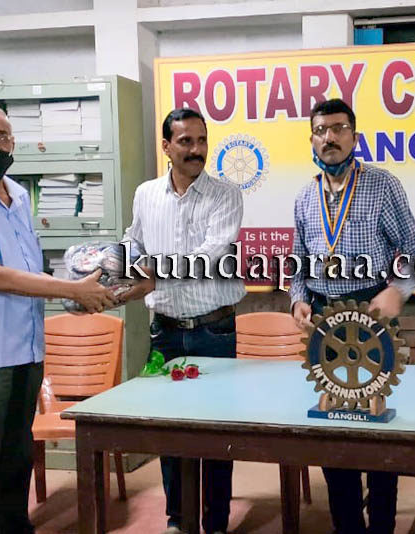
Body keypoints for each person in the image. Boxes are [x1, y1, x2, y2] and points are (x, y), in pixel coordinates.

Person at [0, 103, 116, 534]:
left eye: (3, 136)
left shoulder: (18, 196)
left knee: (16, 456)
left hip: (26, 347)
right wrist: (72, 290)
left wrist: (79, 286)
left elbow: (27, 268)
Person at [289, 98, 415, 534]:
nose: (329, 137)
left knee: (377, 428)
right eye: (321, 130)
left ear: (355, 136)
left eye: (338, 128)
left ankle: (382, 524)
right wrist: (297, 299)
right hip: (325, 323)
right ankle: (347, 524)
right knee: (333, 428)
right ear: (311, 139)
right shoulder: (305, 196)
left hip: (372, 316)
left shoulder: (382, 185)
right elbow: (298, 262)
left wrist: (397, 291)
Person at [119, 107, 245, 534]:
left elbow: (211, 254)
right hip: (165, 334)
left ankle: (216, 523)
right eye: (186, 141)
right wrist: (117, 263)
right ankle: (178, 520)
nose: (196, 150)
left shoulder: (225, 194)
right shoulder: (145, 194)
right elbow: (133, 240)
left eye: (201, 140)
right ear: (166, 146)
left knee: (217, 433)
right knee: (169, 432)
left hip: (214, 332)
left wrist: (152, 276)